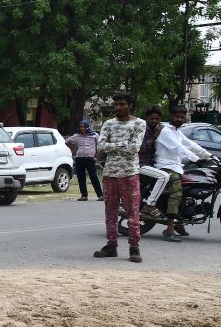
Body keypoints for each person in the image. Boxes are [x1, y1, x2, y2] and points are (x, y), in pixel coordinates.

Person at [94, 91, 146, 263]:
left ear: (130, 105)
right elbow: (101, 146)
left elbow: (135, 148)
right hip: (109, 173)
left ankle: (134, 247)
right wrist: (124, 143)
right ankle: (111, 245)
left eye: (122, 104)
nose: (118, 107)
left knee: (132, 212)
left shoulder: (139, 123)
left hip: (129, 173)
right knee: (110, 212)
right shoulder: (108, 124)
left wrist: (113, 146)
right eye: (116, 104)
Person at [152, 104, 211, 242]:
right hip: (165, 167)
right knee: (176, 193)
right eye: (177, 116)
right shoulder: (166, 131)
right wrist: (196, 159)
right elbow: (178, 148)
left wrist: (209, 156)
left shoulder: (177, 131)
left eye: (182, 117)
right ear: (171, 116)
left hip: (177, 167)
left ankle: (179, 222)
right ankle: (170, 228)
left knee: (188, 187)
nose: (179, 119)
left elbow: (191, 144)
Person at [137, 106, 169, 217]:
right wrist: (155, 136)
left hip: (151, 164)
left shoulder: (160, 129)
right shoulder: (143, 130)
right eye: (152, 119)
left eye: (157, 119)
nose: (154, 121)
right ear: (147, 118)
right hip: (140, 164)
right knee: (163, 176)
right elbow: (142, 148)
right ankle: (149, 206)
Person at [64, 120, 103, 201]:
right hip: (79, 158)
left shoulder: (94, 135)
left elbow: (100, 147)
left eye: (84, 127)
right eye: (81, 127)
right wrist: (73, 149)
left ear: (87, 127)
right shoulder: (76, 136)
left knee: (93, 177)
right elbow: (67, 142)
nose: (82, 128)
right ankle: (84, 195)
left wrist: (96, 157)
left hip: (90, 159)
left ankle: (100, 195)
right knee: (81, 178)